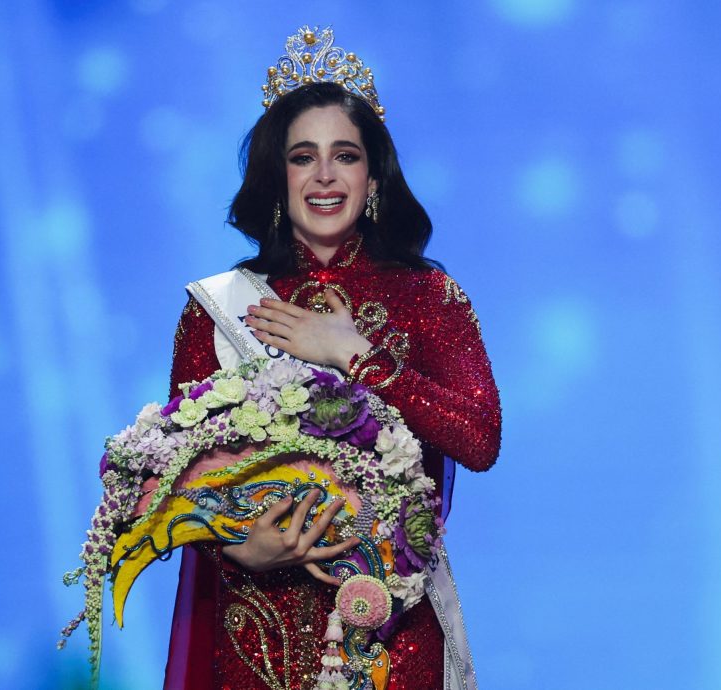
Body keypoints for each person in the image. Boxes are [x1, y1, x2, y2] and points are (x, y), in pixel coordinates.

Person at [162, 27, 501, 690]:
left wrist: (353, 353)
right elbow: (180, 472)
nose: (324, 176)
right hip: (258, 626)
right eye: (302, 157)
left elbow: (479, 439)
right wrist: (238, 546)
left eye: (345, 155)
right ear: (276, 178)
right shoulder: (218, 309)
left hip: (392, 629)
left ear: (372, 177)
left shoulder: (429, 297)